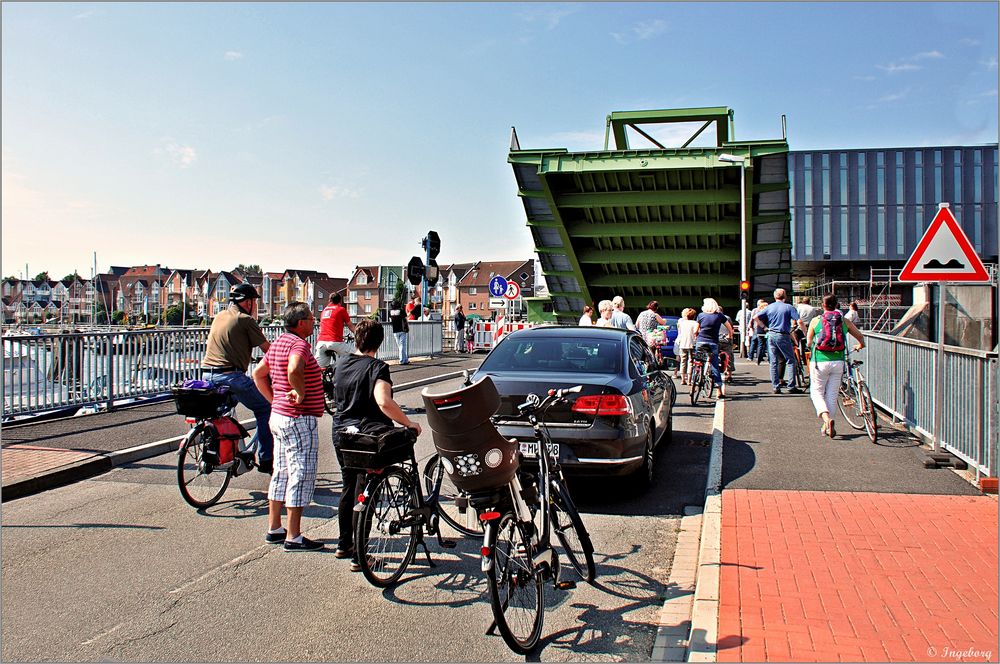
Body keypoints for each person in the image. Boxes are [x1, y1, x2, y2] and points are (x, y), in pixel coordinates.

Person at [331, 319, 423, 571]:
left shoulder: (340, 364)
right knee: (366, 493)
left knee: (348, 487)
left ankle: (344, 544)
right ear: (379, 343)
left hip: (341, 433)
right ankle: (360, 554)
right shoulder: (377, 367)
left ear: (357, 340)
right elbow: (384, 401)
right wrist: (409, 423)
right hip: (367, 437)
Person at [251, 302, 325, 551]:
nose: (314, 322)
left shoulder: (279, 343)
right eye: (312, 318)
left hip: (280, 416)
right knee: (300, 473)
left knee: (281, 470)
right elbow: (294, 368)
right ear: (301, 322)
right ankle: (294, 535)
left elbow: (259, 374)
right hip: (298, 418)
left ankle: (275, 528)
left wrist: (275, 400)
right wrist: (300, 393)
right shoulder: (298, 344)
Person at [201, 283, 274, 474]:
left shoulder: (219, 316)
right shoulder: (245, 320)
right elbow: (269, 350)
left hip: (207, 375)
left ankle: (229, 450)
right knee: (265, 407)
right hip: (230, 376)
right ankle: (267, 459)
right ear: (248, 303)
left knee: (221, 411)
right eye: (255, 302)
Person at [807, 294, 865, 438]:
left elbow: (808, 342)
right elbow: (860, 336)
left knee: (817, 392)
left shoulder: (816, 321)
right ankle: (827, 426)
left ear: (822, 305)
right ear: (837, 305)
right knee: (832, 395)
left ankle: (826, 420)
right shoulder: (844, 321)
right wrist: (861, 345)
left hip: (819, 361)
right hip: (838, 361)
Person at [753, 288, 802, 395]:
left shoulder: (769, 307)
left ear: (775, 297)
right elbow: (799, 321)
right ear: (785, 296)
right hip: (783, 335)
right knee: (790, 360)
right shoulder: (789, 307)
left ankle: (776, 387)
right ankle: (791, 386)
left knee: (773, 362)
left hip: (771, 334)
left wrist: (765, 327)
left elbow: (755, 317)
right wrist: (804, 331)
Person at [693, 298, 734, 398]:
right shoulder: (719, 316)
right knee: (714, 365)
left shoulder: (701, 315)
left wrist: (696, 336)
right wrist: (730, 335)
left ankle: (695, 381)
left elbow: (695, 330)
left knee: (698, 361)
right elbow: (730, 328)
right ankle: (719, 390)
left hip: (701, 342)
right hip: (713, 343)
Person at [315, 292, 356, 368]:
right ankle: (338, 369)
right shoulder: (341, 310)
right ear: (340, 301)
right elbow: (350, 326)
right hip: (334, 342)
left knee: (319, 368)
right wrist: (359, 335)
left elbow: (328, 328)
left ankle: (325, 375)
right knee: (357, 355)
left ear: (329, 300)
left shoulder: (324, 311)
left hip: (321, 343)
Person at [675, 308, 698, 384]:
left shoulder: (682, 323)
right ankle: (689, 380)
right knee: (691, 361)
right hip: (692, 344)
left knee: (683, 361)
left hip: (682, 343)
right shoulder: (695, 323)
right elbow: (696, 333)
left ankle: (683, 379)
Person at [388, 299, 409, 365]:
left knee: (400, 346)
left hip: (395, 330)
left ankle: (405, 360)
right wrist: (407, 327)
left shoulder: (390, 311)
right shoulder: (401, 310)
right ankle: (402, 360)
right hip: (402, 330)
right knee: (402, 345)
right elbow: (405, 319)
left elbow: (390, 320)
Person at [748, 299, 769, 364]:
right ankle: (769, 359)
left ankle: (757, 360)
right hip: (767, 330)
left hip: (758, 330)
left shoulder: (757, 312)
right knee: (768, 345)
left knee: (759, 344)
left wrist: (751, 326)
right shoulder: (767, 313)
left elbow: (752, 319)